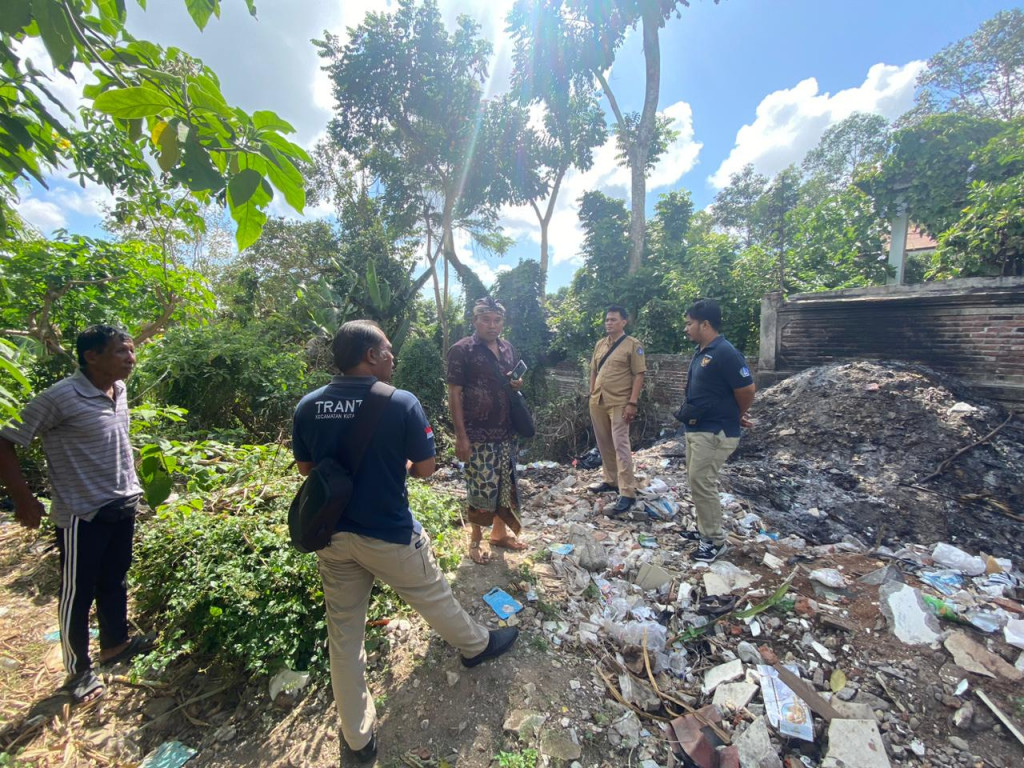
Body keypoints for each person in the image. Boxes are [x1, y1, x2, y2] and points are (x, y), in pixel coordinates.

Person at [293, 320, 518, 765]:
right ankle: (476, 647)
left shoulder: (308, 405)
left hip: (332, 537)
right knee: (433, 595)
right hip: (389, 533)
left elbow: (306, 471)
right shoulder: (400, 402)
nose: (393, 358)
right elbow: (427, 469)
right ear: (371, 356)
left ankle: (357, 740)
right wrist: (401, 464)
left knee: (344, 637)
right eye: (388, 351)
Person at [0, 325, 154, 705]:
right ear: (92, 356)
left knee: (115, 579)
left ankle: (115, 644)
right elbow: (5, 441)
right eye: (122, 351)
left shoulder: (119, 390)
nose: (131, 358)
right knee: (77, 592)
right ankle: (79, 669)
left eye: (131, 350)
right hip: (83, 512)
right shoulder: (60, 397)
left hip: (122, 503)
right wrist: (23, 499)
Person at [447, 297, 526, 565]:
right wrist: (461, 436)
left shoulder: (507, 348)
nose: (492, 325)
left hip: (505, 431)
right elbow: (455, 393)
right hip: (476, 433)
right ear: (475, 321)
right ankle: (475, 541)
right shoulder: (462, 350)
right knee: (481, 487)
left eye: (497, 320)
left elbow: (509, 382)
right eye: (486, 319)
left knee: (505, 485)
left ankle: (499, 534)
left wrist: (516, 384)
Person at [678, 299, 755, 562]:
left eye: (689, 324)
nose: (686, 329)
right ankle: (704, 531)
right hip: (698, 429)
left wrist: (737, 414)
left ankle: (713, 541)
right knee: (696, 481)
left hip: (715, 431)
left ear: (705, 324)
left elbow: (746, 390)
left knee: (702, 481)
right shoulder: (703, 351)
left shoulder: (725, 352)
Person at [587, 305, 646, 514]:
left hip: (620, 402)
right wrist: (592, 392)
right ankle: (610, 480)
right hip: (598, 401)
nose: (608, 323)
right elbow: (594, 370)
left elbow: (639, 375)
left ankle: (628, 492)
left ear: (624, 322)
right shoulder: (600, 344)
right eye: (607, 319)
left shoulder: (633, 345)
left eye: (613, 319)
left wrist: (632, 402)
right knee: (604, 443)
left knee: (621, 445)